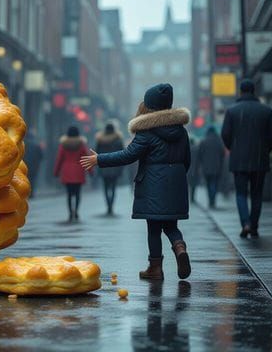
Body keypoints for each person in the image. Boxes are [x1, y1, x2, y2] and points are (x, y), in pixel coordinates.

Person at [81, 84, 192, 281]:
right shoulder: (181, 131)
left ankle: (155, 268)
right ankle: (180, 247)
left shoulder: (147, 131)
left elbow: (128, 155)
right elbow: (187, 160)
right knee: (171, 225)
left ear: (149, 106)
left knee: (154, 227)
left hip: (153, 183)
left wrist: (100, 159)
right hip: (176, 182)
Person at [221, 79, 272, 239]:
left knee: (240, 194)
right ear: (254, 91)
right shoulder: (266, 110)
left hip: (238, 160)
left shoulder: (232, 111)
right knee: (256, 194)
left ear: (240, 91)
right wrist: (266, 149)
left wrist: (233, 148)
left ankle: (245, 223)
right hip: (260, 159)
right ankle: (254, 226)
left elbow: (225, 134)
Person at [53, 125, 89, 222]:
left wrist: (56, 172)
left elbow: (59, 159)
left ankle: (70, 212)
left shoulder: (63, 144)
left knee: (69, 194)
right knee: (77, 193)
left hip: (66, 171)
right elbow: (86, 158)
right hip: (78, 171)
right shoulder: (81, 144)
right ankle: (76, 211)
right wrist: (90, 170)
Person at [94, 122, 125, 215]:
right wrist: (121, 168)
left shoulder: (100, 140)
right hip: (115, 167)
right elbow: (122, 155)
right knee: (113, 188)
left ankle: (108, 205)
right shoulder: (118, 140)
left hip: (104, 167)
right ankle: (111, 205)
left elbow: (97, 154)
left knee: (106, 188)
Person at [197, 125, 226, 209]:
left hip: (206, 168)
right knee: (214, 184)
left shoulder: (204, 141)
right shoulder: (219, 141)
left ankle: (210, 201)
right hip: (217, 167)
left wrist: (201, 164)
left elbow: (200, 155)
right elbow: (223, 154)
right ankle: (213, 201)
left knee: (209, 184)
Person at [23, 129, 44, 198]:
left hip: (25, 164)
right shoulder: (37, 146)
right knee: (32, 179)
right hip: (34, 165)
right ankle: (31, 193)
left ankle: (26, 192)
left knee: (26, 178)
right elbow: (41, 156)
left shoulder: (24, 145)